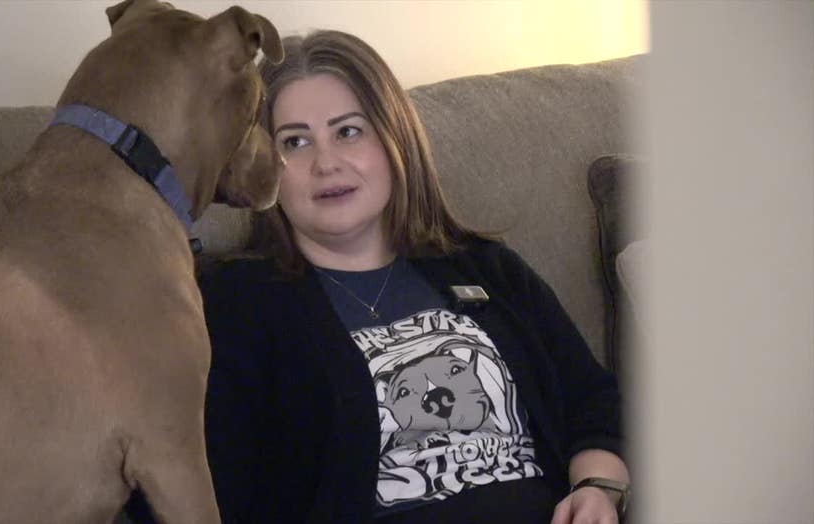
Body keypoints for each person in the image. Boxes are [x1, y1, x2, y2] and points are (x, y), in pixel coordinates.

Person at [200, 30, 630, 524]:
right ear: (262, 164)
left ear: (393, 138)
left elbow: (591, 397)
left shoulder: (484, 265)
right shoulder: (236, 303)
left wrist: (598, 489)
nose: (325, 163)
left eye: (348, 131)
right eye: (295, 142)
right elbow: (209, 483)